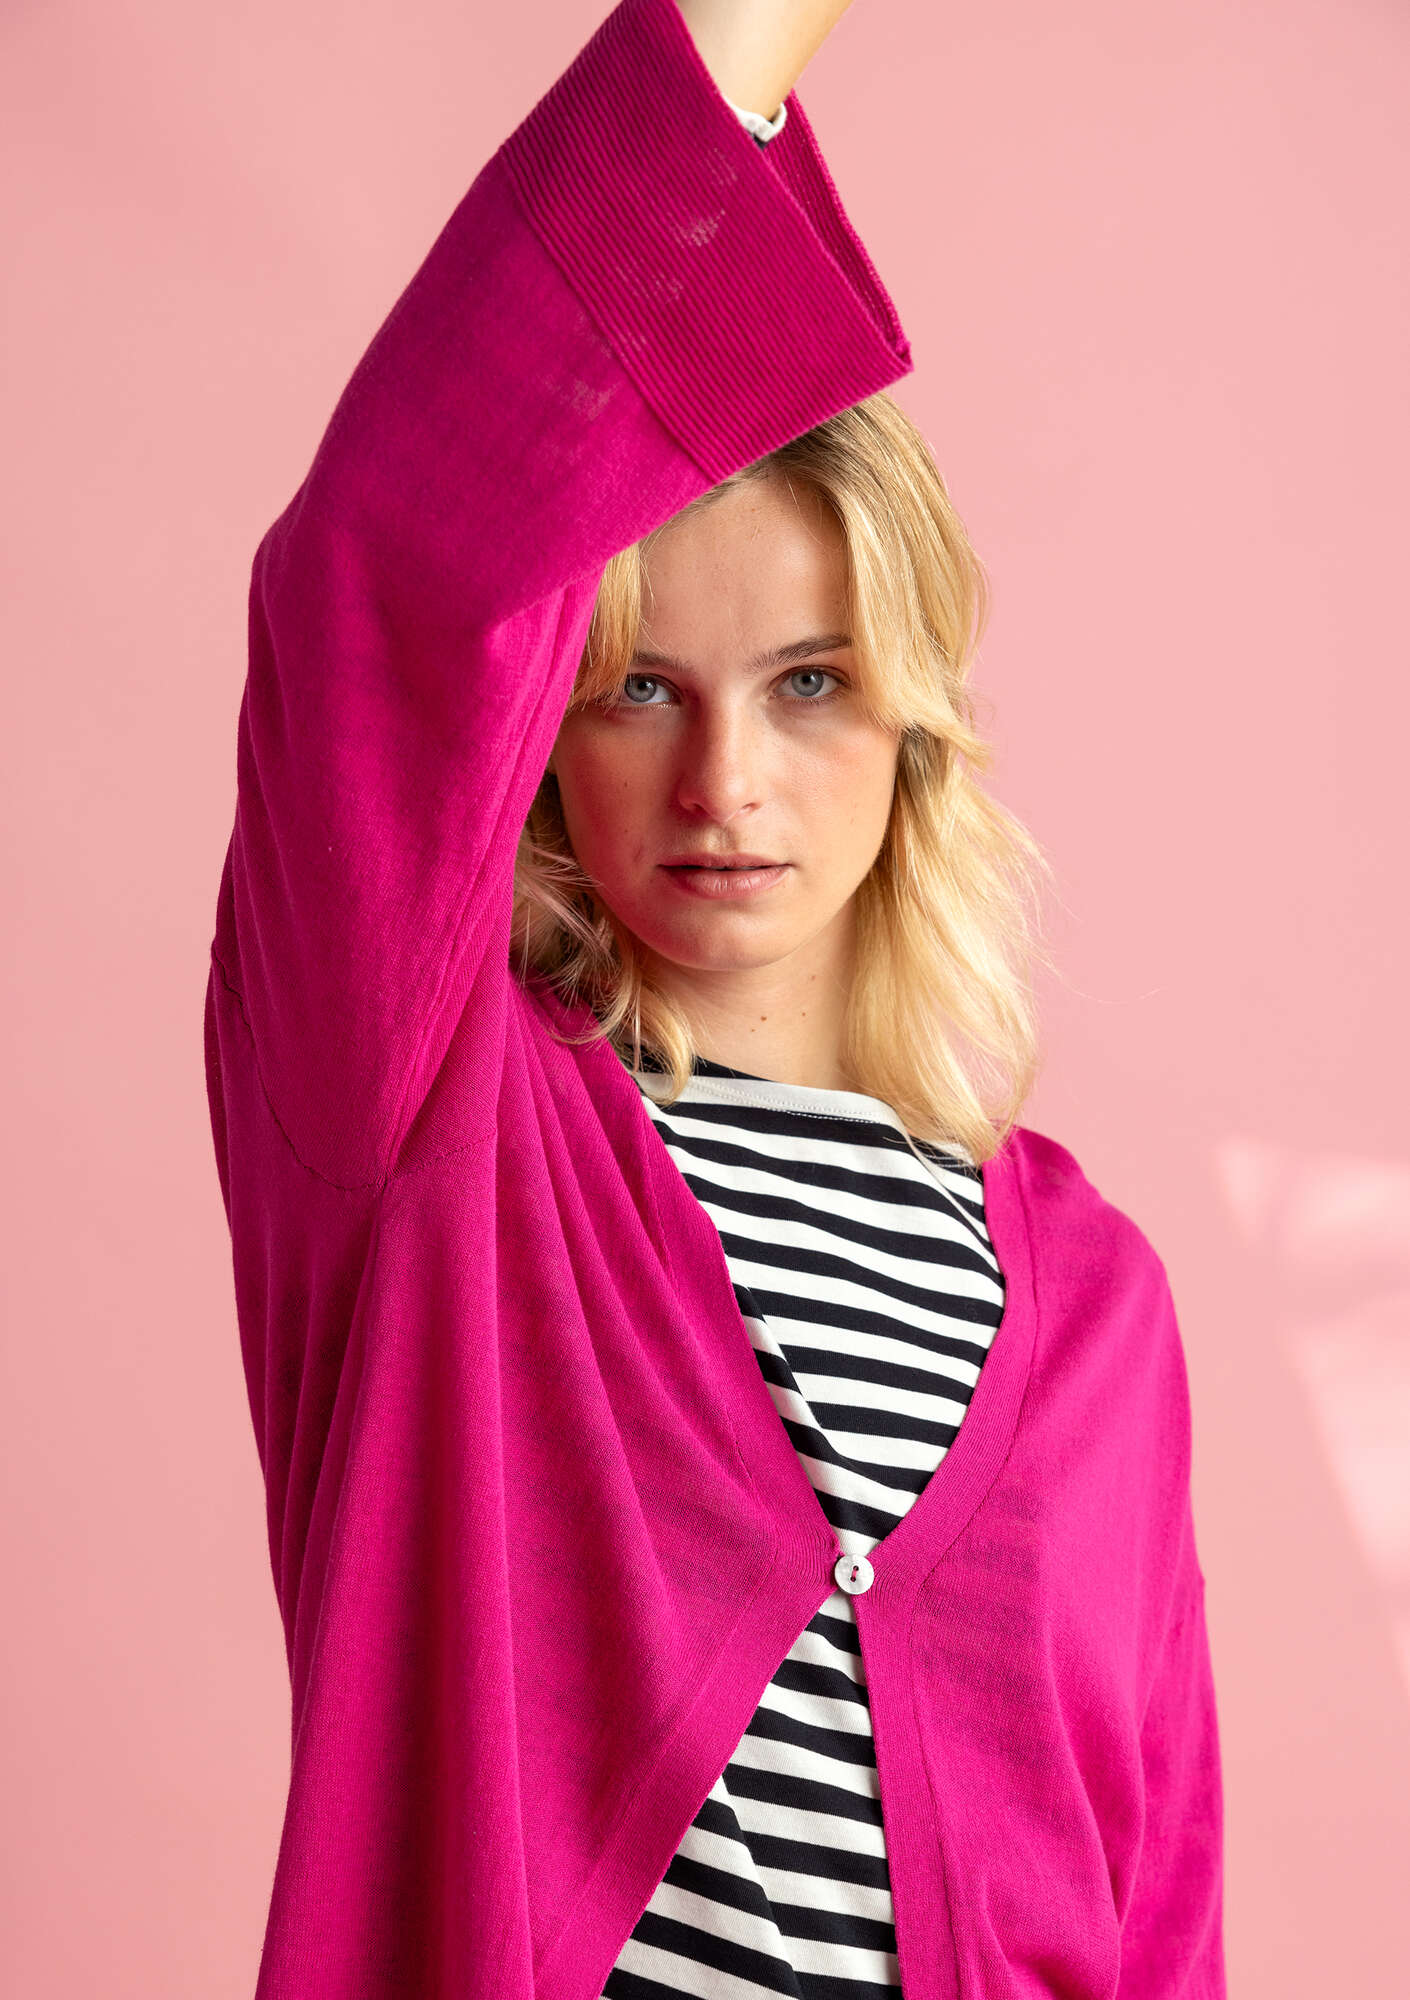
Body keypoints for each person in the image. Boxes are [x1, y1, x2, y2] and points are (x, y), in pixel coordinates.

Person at [203, 2, 1226, 1995]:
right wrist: (732, 51)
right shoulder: (440, 1134)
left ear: (918, 718)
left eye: (810, 683)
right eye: (640, 689)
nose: (722, 784)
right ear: (545, 734)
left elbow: (1157, 1911)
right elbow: (374, 584)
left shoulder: (1102, 1307)